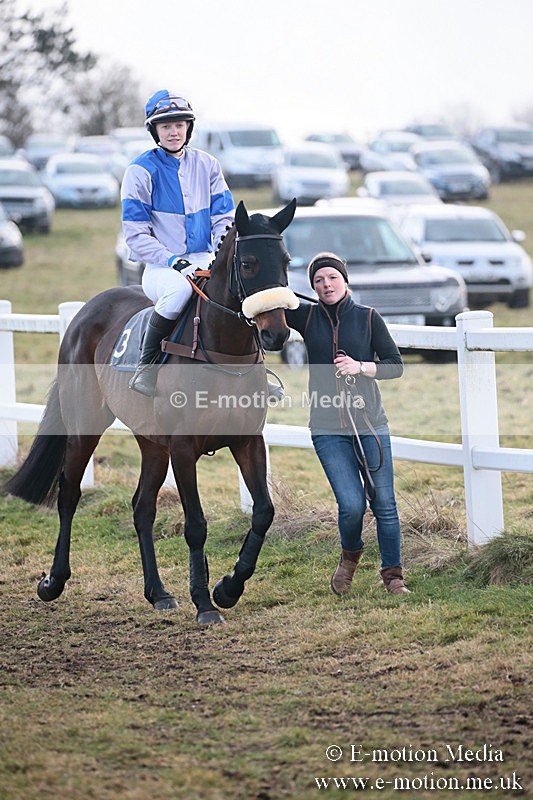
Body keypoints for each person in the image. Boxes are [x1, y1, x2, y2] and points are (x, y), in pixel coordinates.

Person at [285, 252, 410, 595]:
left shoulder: (369, 318)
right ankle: (350, 557)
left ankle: (393, 576)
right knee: (352, 505)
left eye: (331, 277)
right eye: (318, 281)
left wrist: (362, 366)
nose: (326, 285)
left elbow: (395, 364)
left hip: (370, 423)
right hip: (327, 429)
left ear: (345, 279)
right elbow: (275, 296)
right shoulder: (307, 317)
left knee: (384, 502)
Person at [121, 90, 235, 395]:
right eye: (166, 126)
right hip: (161, 268)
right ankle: (147, 367)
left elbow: (224, 217)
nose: (174, 132)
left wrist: (220, 254)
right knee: (179, 290)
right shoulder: (140, 170)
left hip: (204, 258)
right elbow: (135, 235)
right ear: (154, 130)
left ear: (189, 128)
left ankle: (256, 370)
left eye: (180, 125)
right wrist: (173, 260)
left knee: (236, 290)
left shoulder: (208, 164)